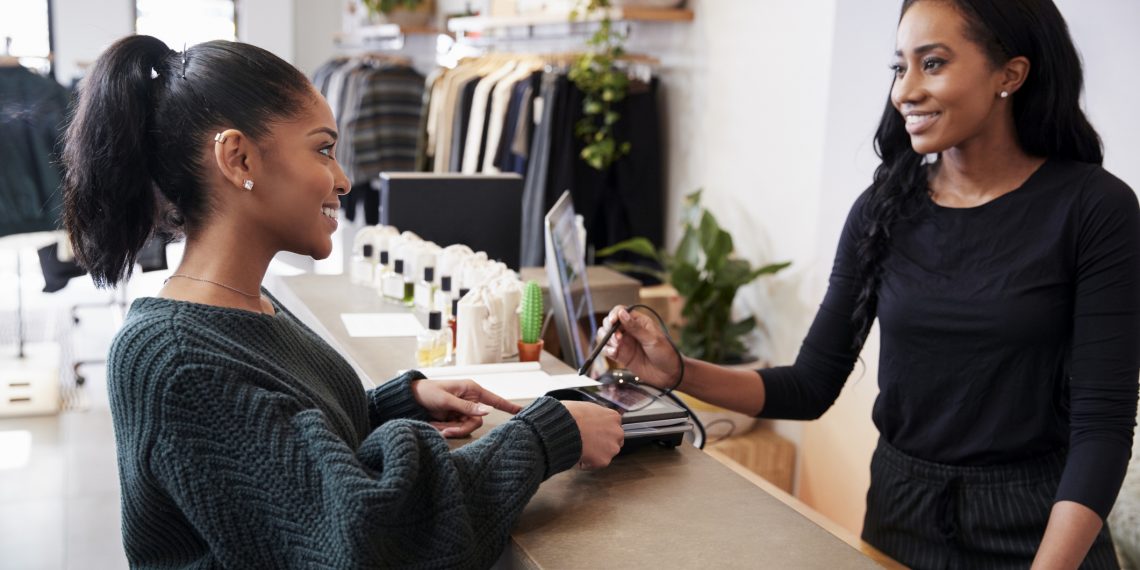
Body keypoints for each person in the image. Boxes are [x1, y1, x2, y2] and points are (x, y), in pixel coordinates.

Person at [601, 0, 1138, 567]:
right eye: (898, 67)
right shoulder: (884, 210)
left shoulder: (1094, 209)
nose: (905, 90)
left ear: (1011, 73)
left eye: (932, 64)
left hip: (1042, 530)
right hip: (901, 514)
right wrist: (679, 371)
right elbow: (811, 384)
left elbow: (1102, 428)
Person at [61, 35, 624, 569]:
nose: (344, 179)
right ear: (238, 159)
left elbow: (285, 444)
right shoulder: (180, 360)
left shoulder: (241, 309)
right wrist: (545, 437)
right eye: (323, 150)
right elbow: (366, 543)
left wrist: (391, 406)